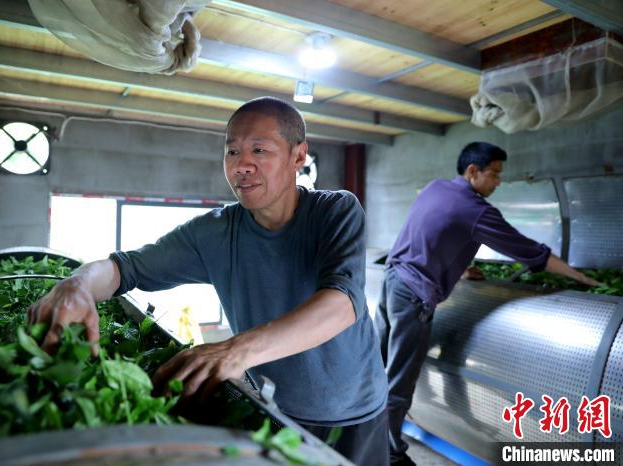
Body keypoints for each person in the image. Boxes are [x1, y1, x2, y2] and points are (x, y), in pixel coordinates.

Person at [27, 97, 389, 466]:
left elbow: (342, 303)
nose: (241, 165)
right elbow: (124, 268)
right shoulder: (215, 233)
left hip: (353, 414)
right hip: (273, 411)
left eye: (259, 150)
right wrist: (77, 285)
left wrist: (235, 350)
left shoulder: (334, 211)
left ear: (298, 157)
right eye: (232, 151)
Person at [375, 141, 599, 466]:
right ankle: (387, 454)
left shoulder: (436, 188)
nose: (497, 181)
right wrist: (580, 278)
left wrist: (459, 267)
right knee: (401, 378)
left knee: (376, 367)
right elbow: (527, 250)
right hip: (414, 294)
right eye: (493, 174)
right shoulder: (476, 211)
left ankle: (356, 433)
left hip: (392, 282)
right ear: (472, 172)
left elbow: (432, 232)